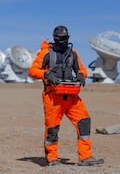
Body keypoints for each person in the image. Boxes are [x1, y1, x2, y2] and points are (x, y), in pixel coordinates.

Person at [28, 25, 104, 166]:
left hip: (71, 96)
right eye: (61, 38)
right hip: (53, 97)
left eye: (66, 38)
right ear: (55, 39)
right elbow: (32, 71)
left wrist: (81, 75)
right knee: (52, 128)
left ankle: (85, 157)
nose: (64, 41)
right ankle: (52, 158)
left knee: (84, 121)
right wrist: (46, 74)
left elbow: (81, 69)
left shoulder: (73, 53)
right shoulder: (46, 54)